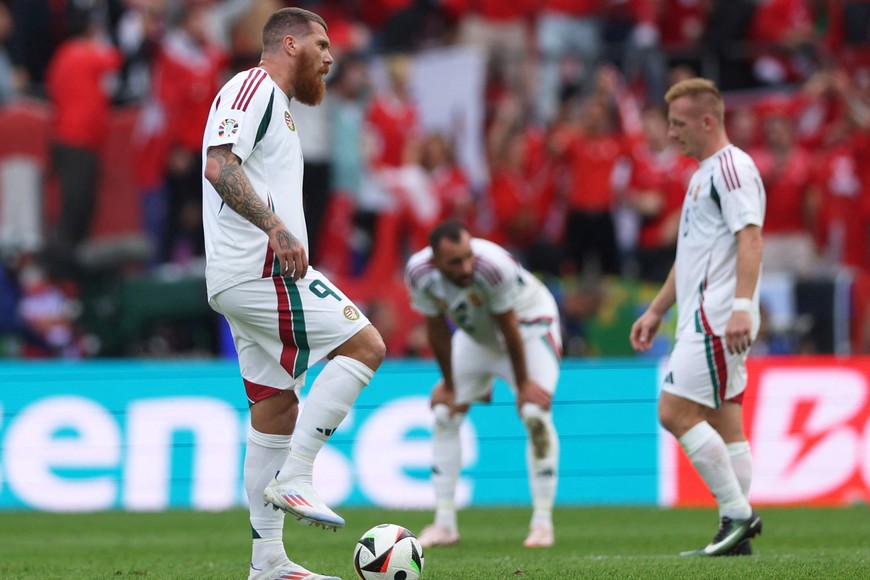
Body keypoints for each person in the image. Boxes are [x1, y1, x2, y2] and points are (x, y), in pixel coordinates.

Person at [201, 8, 386, 580]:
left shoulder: (279, 108)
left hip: (246, 275)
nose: (330, 58)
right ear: (289, 44)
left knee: (276, 409)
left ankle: (269, 565)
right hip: (261, 271)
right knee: (365, 345)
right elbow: (218, 166)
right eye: (322, 45)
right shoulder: (252, 86)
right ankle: (299, 475)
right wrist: (276, 229)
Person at [629, 78, 765, 557]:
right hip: (704, 315)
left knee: (674, 412)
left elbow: (751, 238)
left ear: (708, 121)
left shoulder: (732, 170)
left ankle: (740, 516)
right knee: (726, 423)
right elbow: (690, 255)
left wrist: (743, 308)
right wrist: (656, 309)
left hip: (718, 317)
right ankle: (734, 534)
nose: (670, 133)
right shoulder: (704, 174)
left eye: (678, 123)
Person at [405, 220, 561, 549]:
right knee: (446, 414)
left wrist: (523, 386)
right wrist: (449, 384)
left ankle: (542, 523)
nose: (465, 267)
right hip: (478, 337)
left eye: (467, 256)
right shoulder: (419, 274)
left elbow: (509, 327)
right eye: (455, 262)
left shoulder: (492, 267)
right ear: (435, 262)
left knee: (535, 413)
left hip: (530, 330)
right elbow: (436, 328)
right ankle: (444, 523)